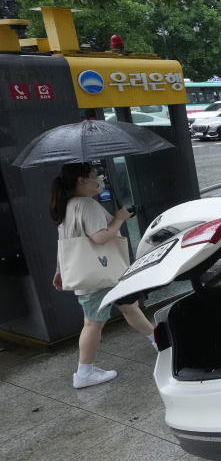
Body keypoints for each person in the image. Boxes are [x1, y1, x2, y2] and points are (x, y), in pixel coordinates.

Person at [50, 163, 156, 388]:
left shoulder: (68, 205)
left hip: (98, 274)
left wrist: (60, 270)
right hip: (100, 274)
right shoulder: (87, 205)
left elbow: (63, 244)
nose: (99, 179)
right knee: (92, 323)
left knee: (129, 306)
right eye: (93, 175)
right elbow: (100, 238)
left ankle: (159, 341)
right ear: (81, 180)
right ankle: (83, 373)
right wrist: (120, 217)